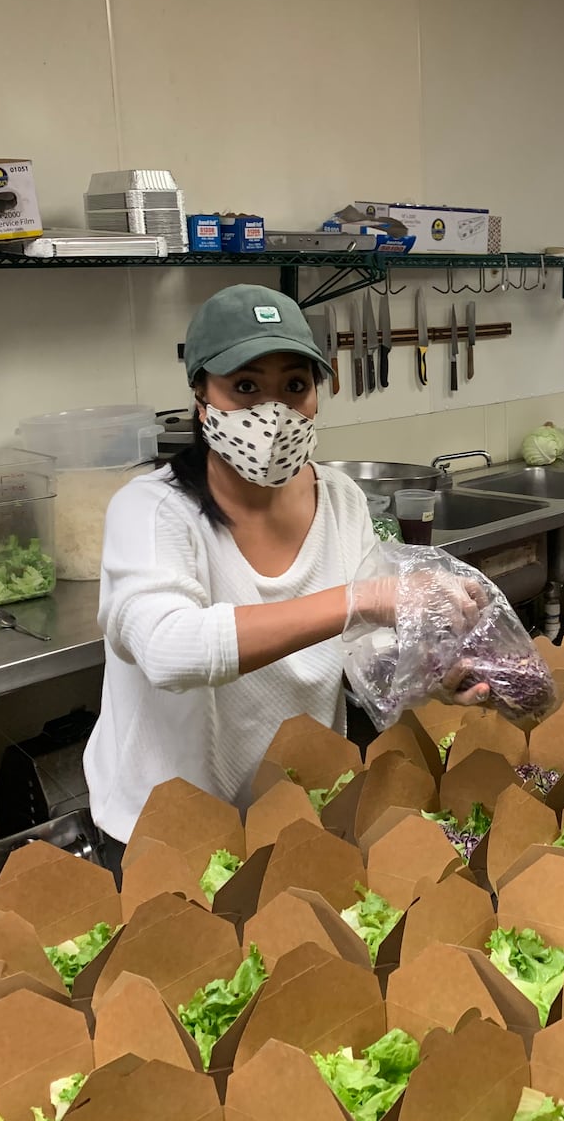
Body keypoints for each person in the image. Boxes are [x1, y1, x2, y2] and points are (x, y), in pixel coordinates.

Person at [85, 284, 486, 852]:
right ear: (201, 394)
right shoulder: (152, 510)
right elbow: (169, 650)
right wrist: (362, 600)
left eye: (295, 387)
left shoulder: (341, 500)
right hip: (165, 837)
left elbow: (361, 654)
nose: (272, 414)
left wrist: (428, 673)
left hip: (298, 814)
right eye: (244, 387)